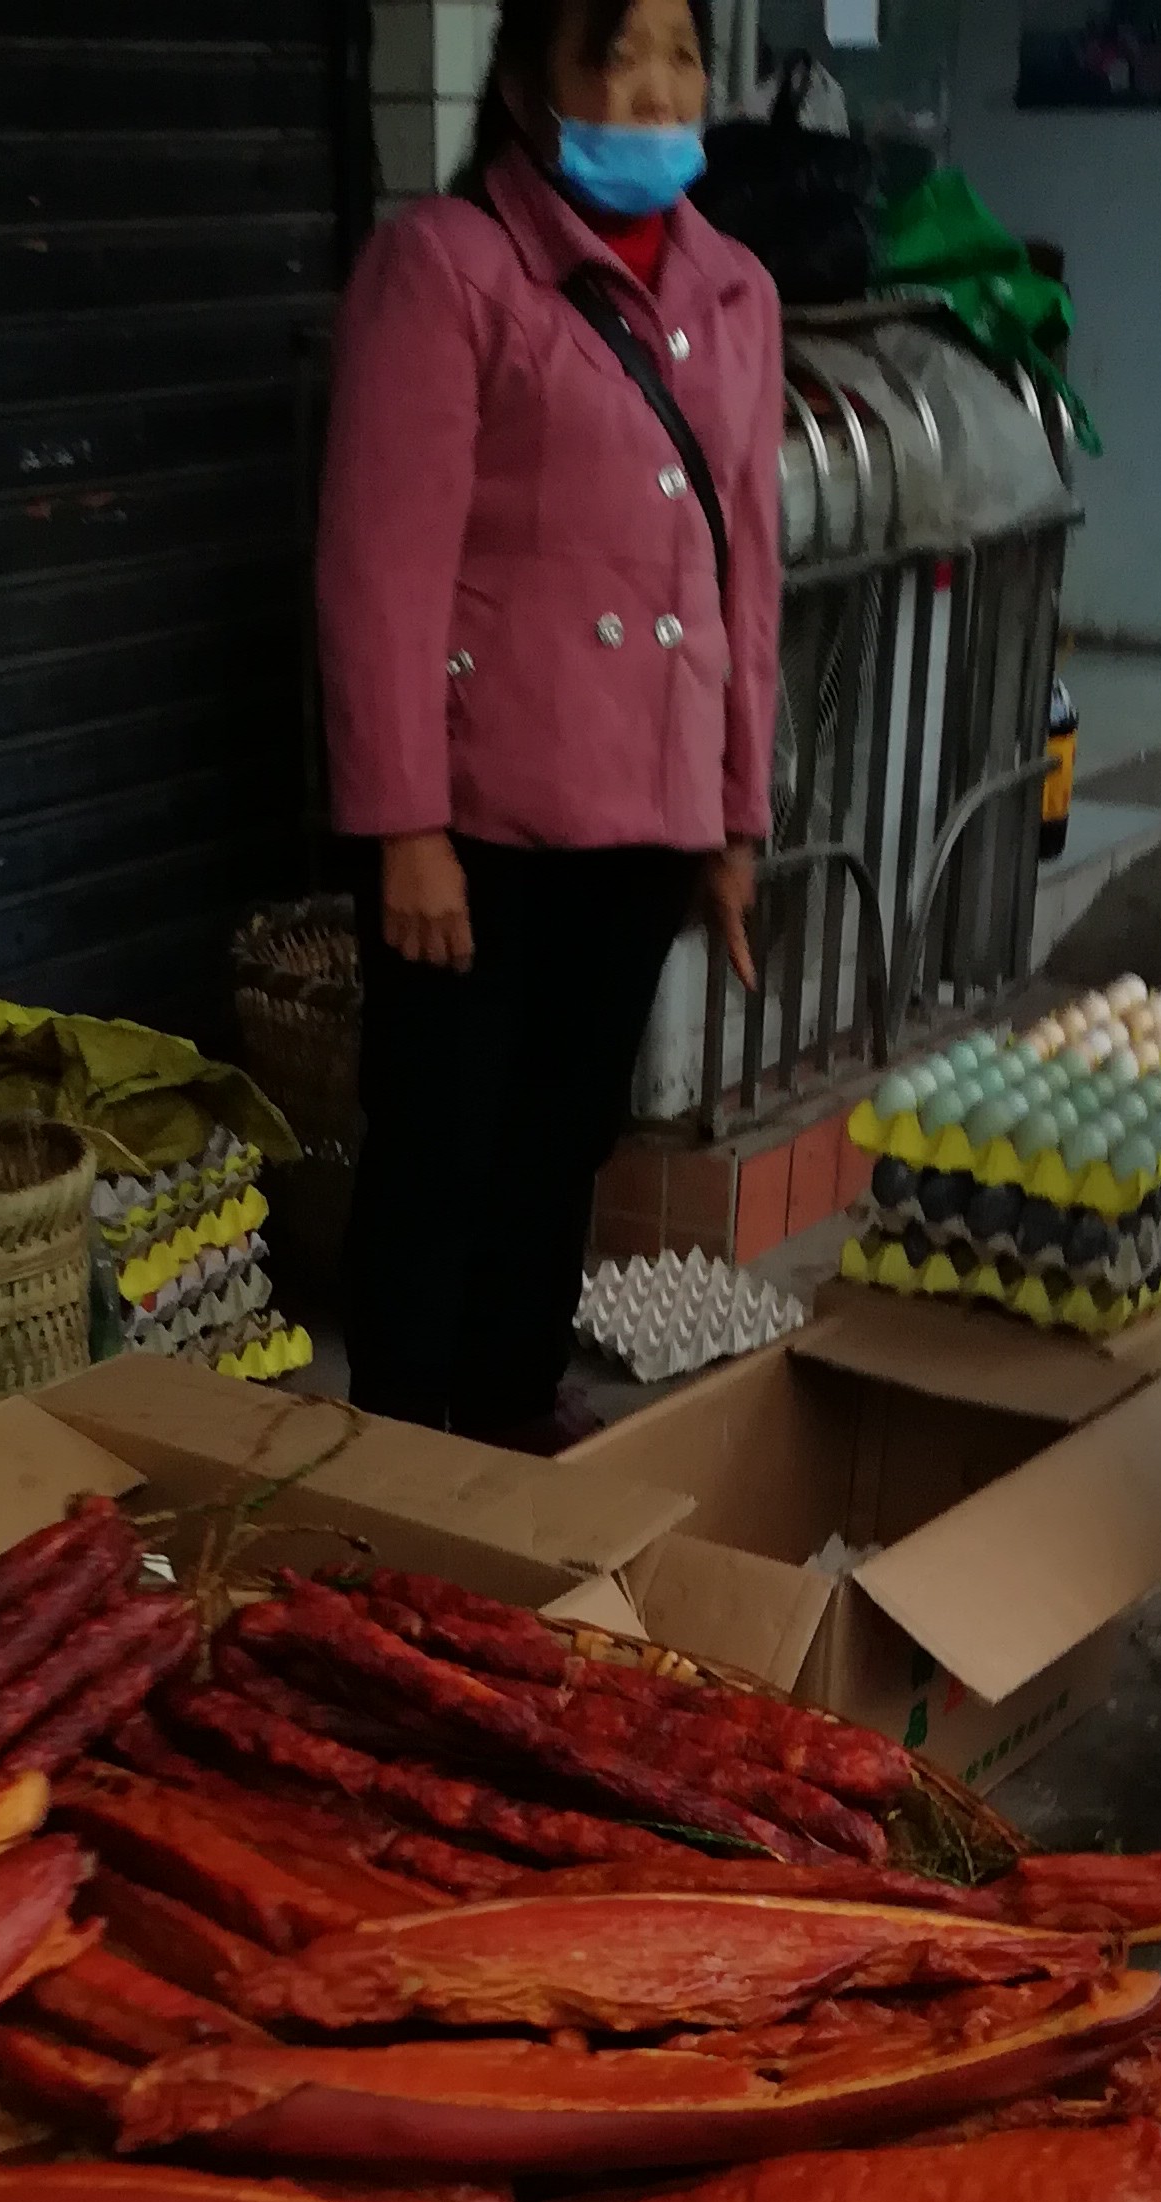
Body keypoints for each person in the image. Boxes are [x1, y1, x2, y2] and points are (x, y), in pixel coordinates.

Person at [317, 0, 783, 1446]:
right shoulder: (448, 269)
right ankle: (399, 1451)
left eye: (680, 58)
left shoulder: (738, 292)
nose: (652, 93)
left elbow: (744, 567)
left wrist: (735, 814)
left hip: (646, 814)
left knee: (562, 1148)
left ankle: (510, 1434)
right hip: (480, 827)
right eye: (613, 56)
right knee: (439, 1150)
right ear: (529, 83)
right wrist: (403, 826)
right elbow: (380, 562)